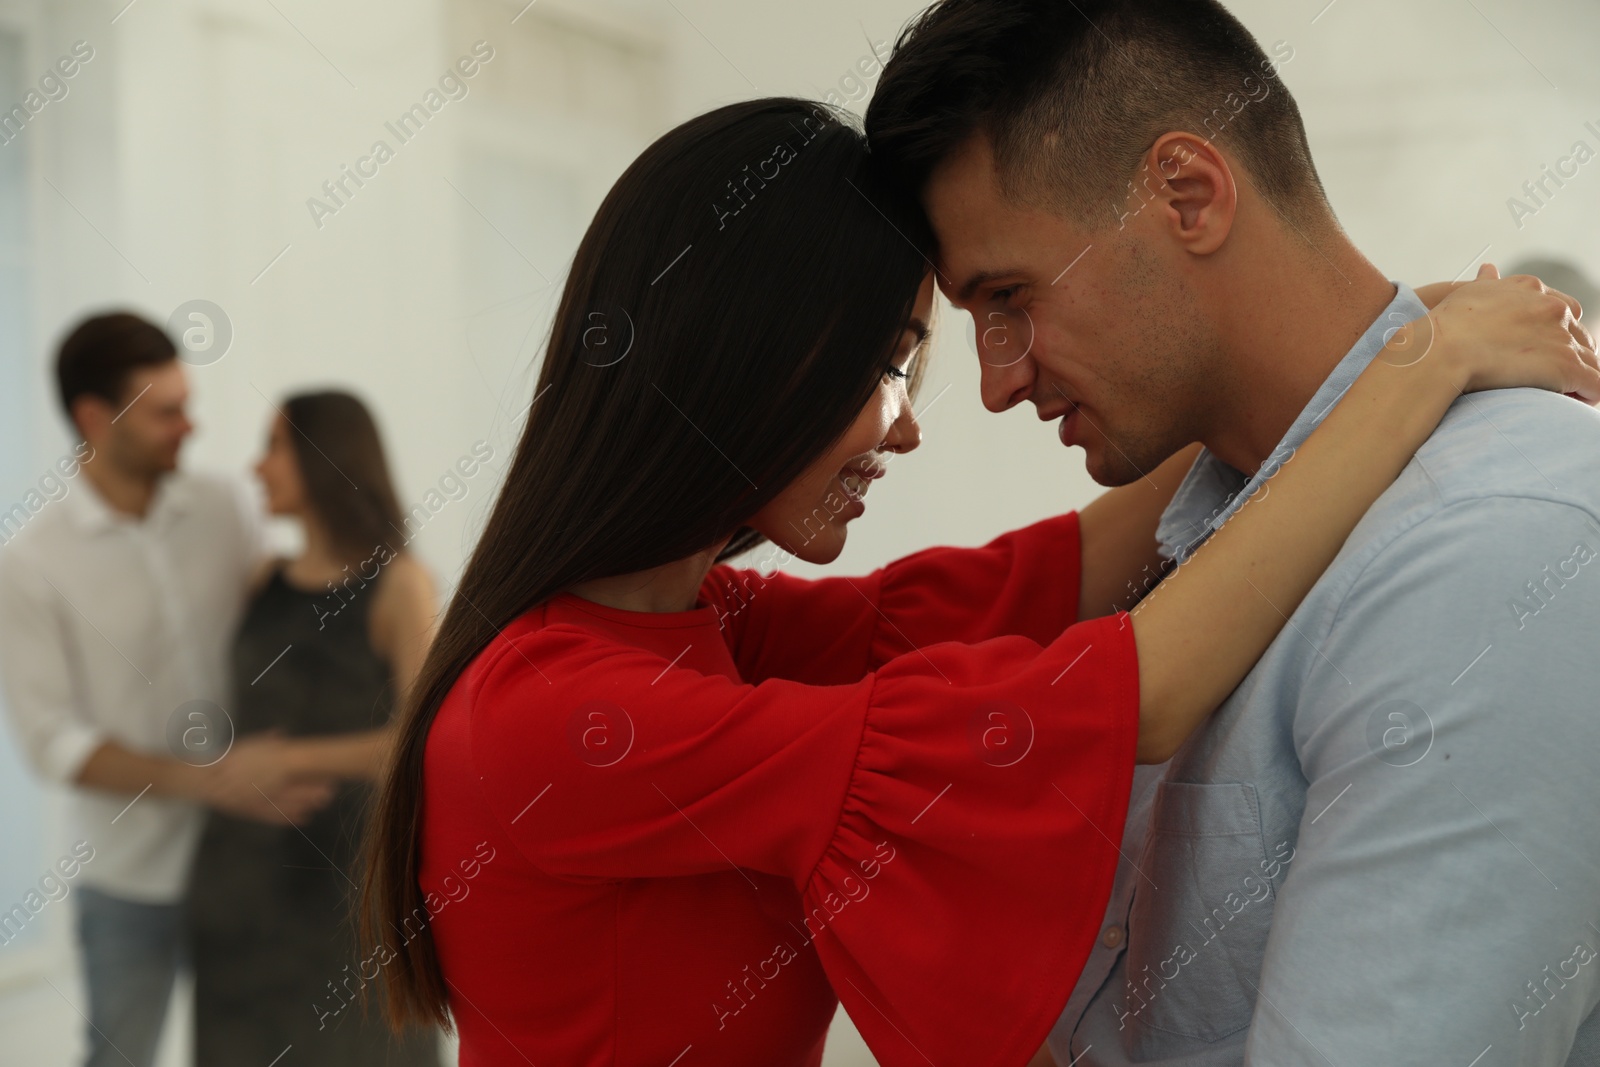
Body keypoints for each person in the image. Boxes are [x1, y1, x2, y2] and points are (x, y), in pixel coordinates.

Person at [358, 98, 1595, 1067]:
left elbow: (1054, 574)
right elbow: (1138, 688)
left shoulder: (711, 628)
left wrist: (1367, 336)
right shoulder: (564, 714)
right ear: (740, 352)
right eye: (887, 365)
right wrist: (1417, 366)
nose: (908, 428)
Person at [863, 1, 1600, 1063]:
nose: (995, 381)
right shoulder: (1212, 525)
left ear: (1187, 194)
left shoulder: (1487, 549)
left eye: (1011, 296)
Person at [0, 314, 334, 1067]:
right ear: (94, 418)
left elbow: (281, 617)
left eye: (187, 402)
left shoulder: (224, 507)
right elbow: (53, 743)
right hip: (129, 883)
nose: (191, 425)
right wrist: (211, 781)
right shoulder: (31, 563)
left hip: (252, 861)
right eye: (166, 411)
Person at [186, 391, 441, 1065]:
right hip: (240, 892)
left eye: (273, 446)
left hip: (349, 896)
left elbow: (423, 746)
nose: (256, 467)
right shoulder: (263, 577)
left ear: (324, 456)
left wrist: (291, 760)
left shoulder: (400, 585)